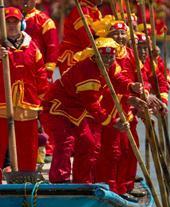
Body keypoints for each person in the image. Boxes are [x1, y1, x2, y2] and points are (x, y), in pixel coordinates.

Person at [43, 37, 142, 184]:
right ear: (96, 56)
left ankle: (82, 181)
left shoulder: (111, 65)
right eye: (104, 56)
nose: (108, 60)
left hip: (78, 109)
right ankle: (59, 180)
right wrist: (112, 122)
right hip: (58, 107)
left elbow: (117, 78)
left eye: (111, 56)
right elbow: (92, 105)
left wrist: (130, 87)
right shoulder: (88, 72)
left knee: (89, 143)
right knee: (66, 141)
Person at [0, 7, 50, 183]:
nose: (11, 26)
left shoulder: (31, 46)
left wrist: (44, 99)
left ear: (21, 24)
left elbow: (40, 74)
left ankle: (25, 183)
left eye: (14, 22)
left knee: (28, 148)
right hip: (0, 103)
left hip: (27, 104)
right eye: (7, 22)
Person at [57, 0, 104, 71]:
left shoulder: (94, 10)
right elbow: (86, 37)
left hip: (85, 53)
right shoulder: (82, 11)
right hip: (74, 56)